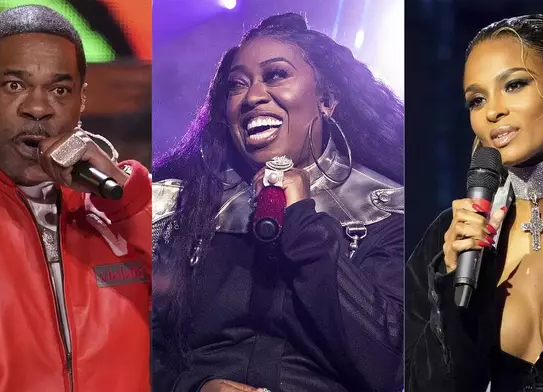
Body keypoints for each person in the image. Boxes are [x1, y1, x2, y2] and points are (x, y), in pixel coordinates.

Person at [152, 13, 404, 392]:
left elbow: (390, 362)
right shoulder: (181, 208)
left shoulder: (388, 210)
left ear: (328, 100)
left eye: (275, 75)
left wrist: (304, 224)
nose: (252, 97)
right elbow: (139, 345)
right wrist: (193, 387)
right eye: (237, 85)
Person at [0, 5, 151, 391]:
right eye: (15, 85)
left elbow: (191, 324)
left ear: (81, 100)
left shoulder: (114, 204)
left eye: (60, 89)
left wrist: (124, 198)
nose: (39, 108)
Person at [405, 14, 543, 392]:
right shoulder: (448, 240)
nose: (492, 111)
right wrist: (450, 282)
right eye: (476, 100)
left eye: (514, 85)